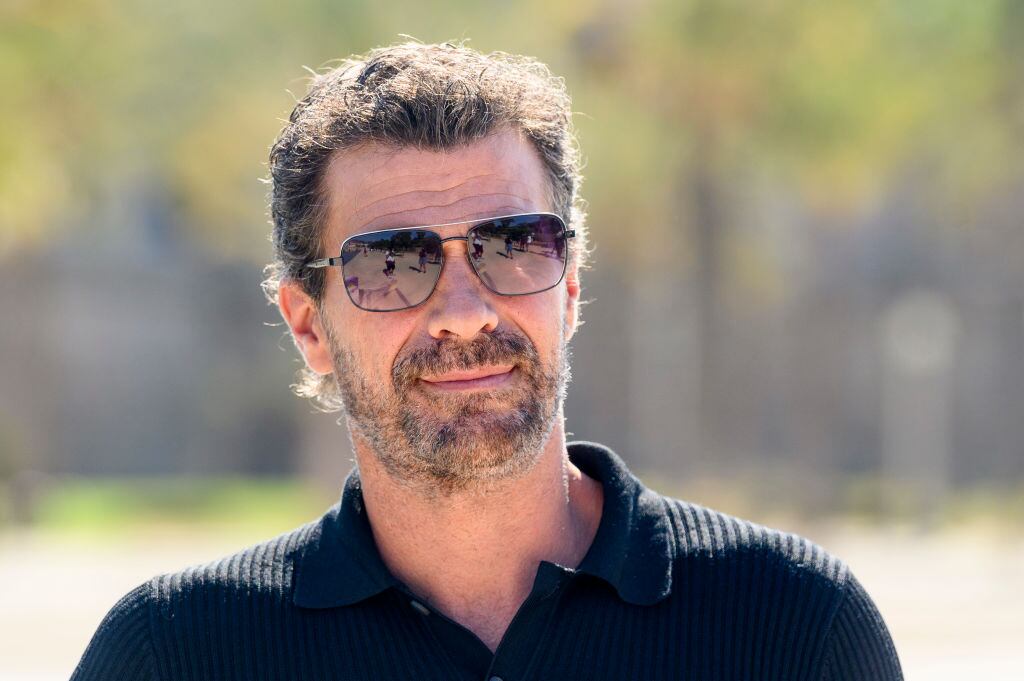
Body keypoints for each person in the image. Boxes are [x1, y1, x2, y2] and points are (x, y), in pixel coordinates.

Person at [72, 42, 903, 681]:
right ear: (309, 326)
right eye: (391, 263)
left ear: (570, 288)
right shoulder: (174, 653)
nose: (465, 313)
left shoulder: (795, 628)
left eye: (513, 246)